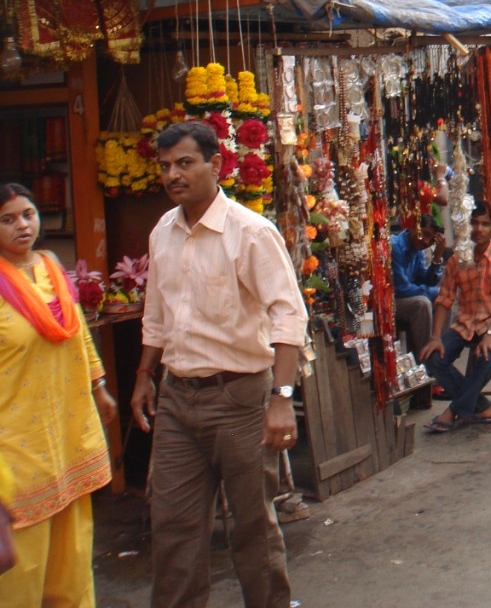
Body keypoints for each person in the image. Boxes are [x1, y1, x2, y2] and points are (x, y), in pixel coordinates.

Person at [132, 121, 309, 606]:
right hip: (177, 399)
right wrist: (145, 374)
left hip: (240, 399)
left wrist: (281, 399)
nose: (173, 175)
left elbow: (289, 315)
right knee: (173, 528)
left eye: (185, 163)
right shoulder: (163, 232)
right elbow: (157, 314)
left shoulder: (250, 232)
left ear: (216, 165)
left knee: (251, 528)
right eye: (165, 166)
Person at [0, 182, 115, 605]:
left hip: (68, 432)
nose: (22, 225)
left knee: (74, 559)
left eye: (28, 214)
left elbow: (78, 332)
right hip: (16, 446)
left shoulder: (51, 265)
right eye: (7, 219)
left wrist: (99, 386)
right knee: (22, 571)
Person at [419, 202, 491, 430]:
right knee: (433, 358)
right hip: (466, 322)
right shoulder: (457, 260)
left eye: (485, 224)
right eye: (474, 223)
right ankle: (483, 408)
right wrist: (435, 337)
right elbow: (444, 300)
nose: (478, 229)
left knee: (489, 357)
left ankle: (452, 412)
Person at [390, 213, 447, 355]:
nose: (426, 242)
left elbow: (425, 280)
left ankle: (438, 347)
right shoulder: (395, 246)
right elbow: (401, 288)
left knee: (445, 298)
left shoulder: (417, 249)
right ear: (414, 227)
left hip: (404, 297)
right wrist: (433, 292)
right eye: (425, 234)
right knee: (422, 303)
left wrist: (437, 257)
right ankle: (425, 356)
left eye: (431, 240)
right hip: (391, 301)